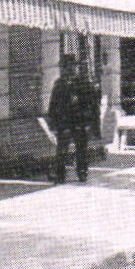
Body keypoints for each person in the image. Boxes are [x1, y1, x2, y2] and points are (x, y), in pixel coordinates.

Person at [47, 53, 99, 184]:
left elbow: (92, 103)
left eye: (70, 67)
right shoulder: (59, 84)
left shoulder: (83, 83)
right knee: (62, 149)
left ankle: (82, 172)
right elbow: (53, 103)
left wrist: (89, 121)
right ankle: (60, 175)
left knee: (81, 148)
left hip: (79, 120)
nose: (67, 69)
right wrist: (53, 122)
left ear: (74, 68)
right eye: (65, 67)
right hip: (64, 122)